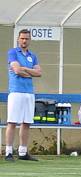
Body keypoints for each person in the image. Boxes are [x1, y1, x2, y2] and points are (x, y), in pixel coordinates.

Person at [5, 29, 41, 162]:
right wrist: (29, 72)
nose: (24, 41)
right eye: (22, 38)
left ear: (29, 40)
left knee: (26, 123)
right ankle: (8, 152)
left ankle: (23, 152)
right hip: (16, 91)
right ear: (18, 39)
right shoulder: (13, 52)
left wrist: (25, 69)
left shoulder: (33, 55)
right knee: (12, 122)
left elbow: (39, 73)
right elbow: (16, 70)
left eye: (26, 38)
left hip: (29, 92)